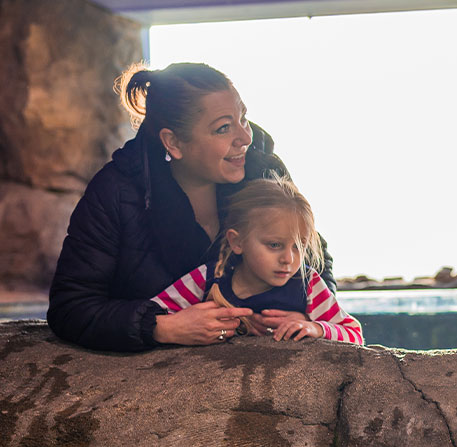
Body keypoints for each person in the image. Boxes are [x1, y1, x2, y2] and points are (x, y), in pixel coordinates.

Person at [47, 62, 335, 352]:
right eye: (223, 128)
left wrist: (304, 316)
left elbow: (315, 260)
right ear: (173, 142)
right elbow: (70, 308)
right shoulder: (115, 192)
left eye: (243, 119)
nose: (245, 138)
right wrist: (162, 327)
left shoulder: (265, 172)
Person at [153, 176, 363, 344]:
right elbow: (154, 314)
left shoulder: (308, 284)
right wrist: (185, 324)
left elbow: (354, 334)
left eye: (299, 247)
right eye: (274, 245)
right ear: (237, 242)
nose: (288, 259)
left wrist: (314, 327)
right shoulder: (209, 278)